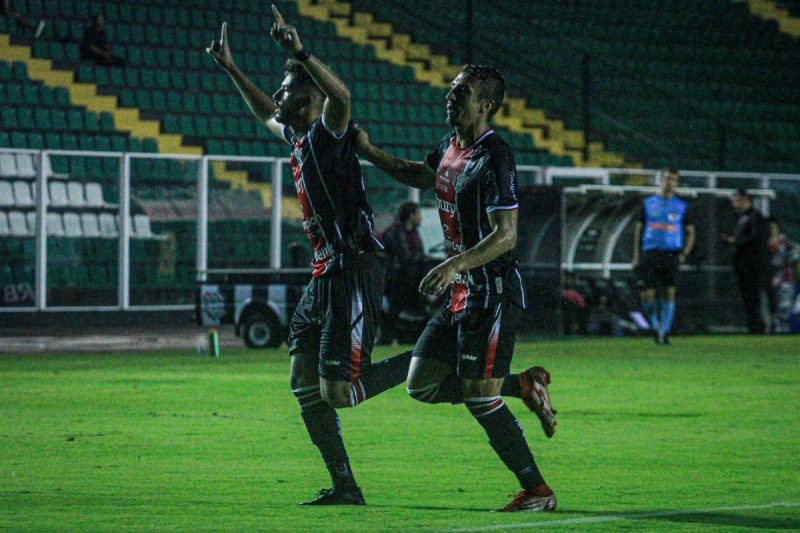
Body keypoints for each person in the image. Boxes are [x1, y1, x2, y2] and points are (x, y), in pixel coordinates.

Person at [207, 7, 413, 506]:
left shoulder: (329, 130)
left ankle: (428, 358)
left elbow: (341, 95)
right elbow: (262, 113)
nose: (277, 94)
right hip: (323, 276)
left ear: (309, 96)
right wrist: (232, 69)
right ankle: (345, 485)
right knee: (303, 381)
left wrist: (298, 51)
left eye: (284, 86)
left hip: (354, 267)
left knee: (340, 390)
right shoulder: (298, 138)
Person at [355, 64, 558, 512]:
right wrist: (369, 151)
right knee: (421, 384)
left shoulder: (495, 157)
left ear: (485, 105)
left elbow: (507, 234)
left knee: (478, 397)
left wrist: (454, 264)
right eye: (451, 88)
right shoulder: (450, 147)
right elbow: (416, 173)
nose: (450, 96)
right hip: (461, 291)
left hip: (493, 293)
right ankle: (521, 384)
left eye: (460, 90)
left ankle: (539, 492)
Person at [631, 169, 695, 345]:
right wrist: (636, 255)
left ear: (677, 183)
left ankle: (664, 331)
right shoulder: (648, 203)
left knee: (669, 292)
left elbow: (691, 232)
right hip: (650, 253)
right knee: (647, 297)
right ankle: (656, 325)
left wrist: (685, 253)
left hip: (671, 254)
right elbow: (638, 229)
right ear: (661, 180)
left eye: (673, 179)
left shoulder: (681, 205)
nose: (669, 182)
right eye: (666, 178)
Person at [723, 189, 770, 334]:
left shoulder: (756, 217)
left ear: (745, 200)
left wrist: (736, 241)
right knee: (748, 298)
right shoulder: (741, 217)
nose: (734, 204)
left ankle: (760, 328)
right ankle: (753, 327)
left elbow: (757, 239)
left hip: (754, 267)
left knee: (755, 298)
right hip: (743, 267)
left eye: (736, 200)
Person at [379, 202, 429, 330]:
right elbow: (405, 257)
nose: (421, 218)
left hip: (408, 280)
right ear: (411, 215)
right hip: (397, 281)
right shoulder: (395, 232)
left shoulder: (413, 233)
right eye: (418, 214)